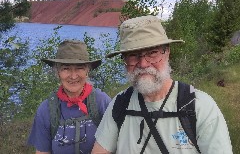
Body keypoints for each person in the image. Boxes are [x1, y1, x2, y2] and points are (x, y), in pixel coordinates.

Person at [91, 15, 233, 154]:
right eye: (133, 55)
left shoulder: (200, 107)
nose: (143, 64)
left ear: (167, 52)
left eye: (152, 53)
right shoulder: (120, 104)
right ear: (125, 60)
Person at [27, 40, 111, 154]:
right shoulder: (46, 110)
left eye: (79, 68)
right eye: (66, 68)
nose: (73, 76)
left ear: (87, 71)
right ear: (58, 73)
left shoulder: (102, 102)